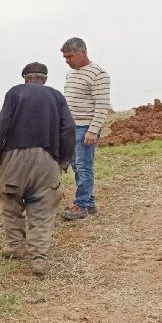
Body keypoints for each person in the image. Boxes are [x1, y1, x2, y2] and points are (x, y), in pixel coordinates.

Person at [0, 62, 76, 275]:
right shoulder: (56, 96)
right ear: (44, 78)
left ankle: (16, 246)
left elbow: (2, 124)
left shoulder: (15, 92)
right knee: (43, 209)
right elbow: (69, 129)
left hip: (14, 158)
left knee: (11, 202)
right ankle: (38, 258)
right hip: (47, 158)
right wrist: (64, 160)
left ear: (25, 77)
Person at [59, 37, 111, 220]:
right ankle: (89, 203)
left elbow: (102, 105)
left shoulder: (99, 74)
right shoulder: (71, 74)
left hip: (85, 128)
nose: (67, 61)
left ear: (83, 52)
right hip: (70, 128)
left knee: (84, 167)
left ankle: (80, 206)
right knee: (76, 166)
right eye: (65, 58)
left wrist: (92, 130)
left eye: (70, 56)